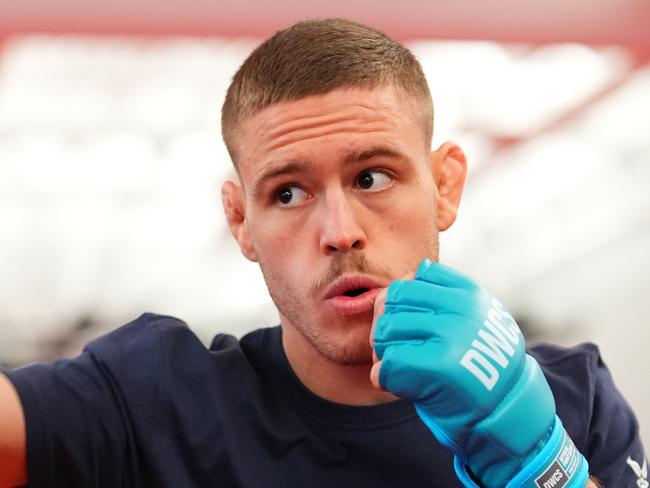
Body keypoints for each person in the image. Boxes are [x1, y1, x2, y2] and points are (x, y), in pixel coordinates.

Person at [0, 18, 646, 488]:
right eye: (288, 192)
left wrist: (539, 465)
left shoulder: (571, 398)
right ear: (240, 221)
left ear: (444, 185)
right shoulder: (156, 401)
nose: (340, 231)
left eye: (372, 178)